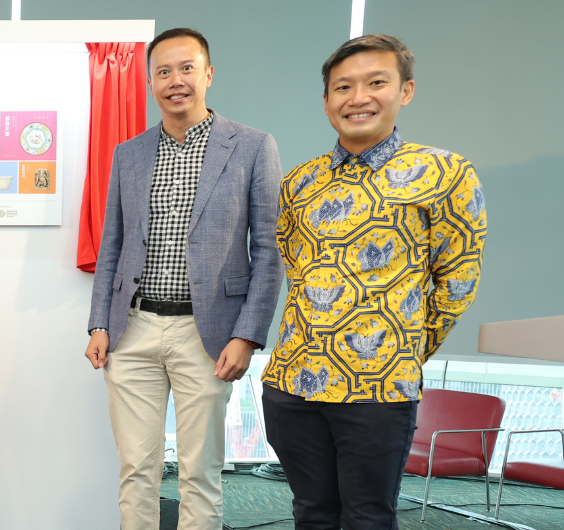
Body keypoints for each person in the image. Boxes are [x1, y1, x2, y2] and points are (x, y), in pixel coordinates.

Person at [262, 34, 486, 529]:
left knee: (367, 517)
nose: (357, 97)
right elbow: (295, 268)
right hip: (292, 386)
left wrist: (398, 351)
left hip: (378, 390)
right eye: (343, 87)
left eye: (376, 82)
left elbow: (458, 282)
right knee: (312, 513)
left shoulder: (444, 172)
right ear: (326, 102)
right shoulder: (299, 183)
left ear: (405, 91)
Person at [84, 28, 284, 530]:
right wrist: (98, 324)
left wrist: (247, 335)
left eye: (187, 68)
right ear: (151, 81)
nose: (176, 80)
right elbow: (111, 245)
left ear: (208, 74)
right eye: (164, 71)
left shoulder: (253, 147)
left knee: (201, 473)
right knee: (137, 471)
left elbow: (269, 249)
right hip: (133, 330)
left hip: (209, 335)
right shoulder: (128, 154)